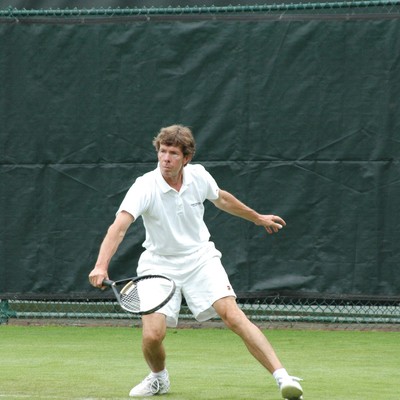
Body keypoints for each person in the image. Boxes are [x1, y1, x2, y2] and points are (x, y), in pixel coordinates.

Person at [88, 124, 304, 399]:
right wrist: (100, 265)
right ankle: (158, 378)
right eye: (162, 152)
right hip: (158, 265)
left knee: (233, 316)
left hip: (201, 259)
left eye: (173, 153)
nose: (166, 158)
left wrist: (257, 217)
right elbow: (119, 227)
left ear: (186, 158)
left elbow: (222, 199)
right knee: (153, 335)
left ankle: (283, 377)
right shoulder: (144, 186)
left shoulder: (199, 176)